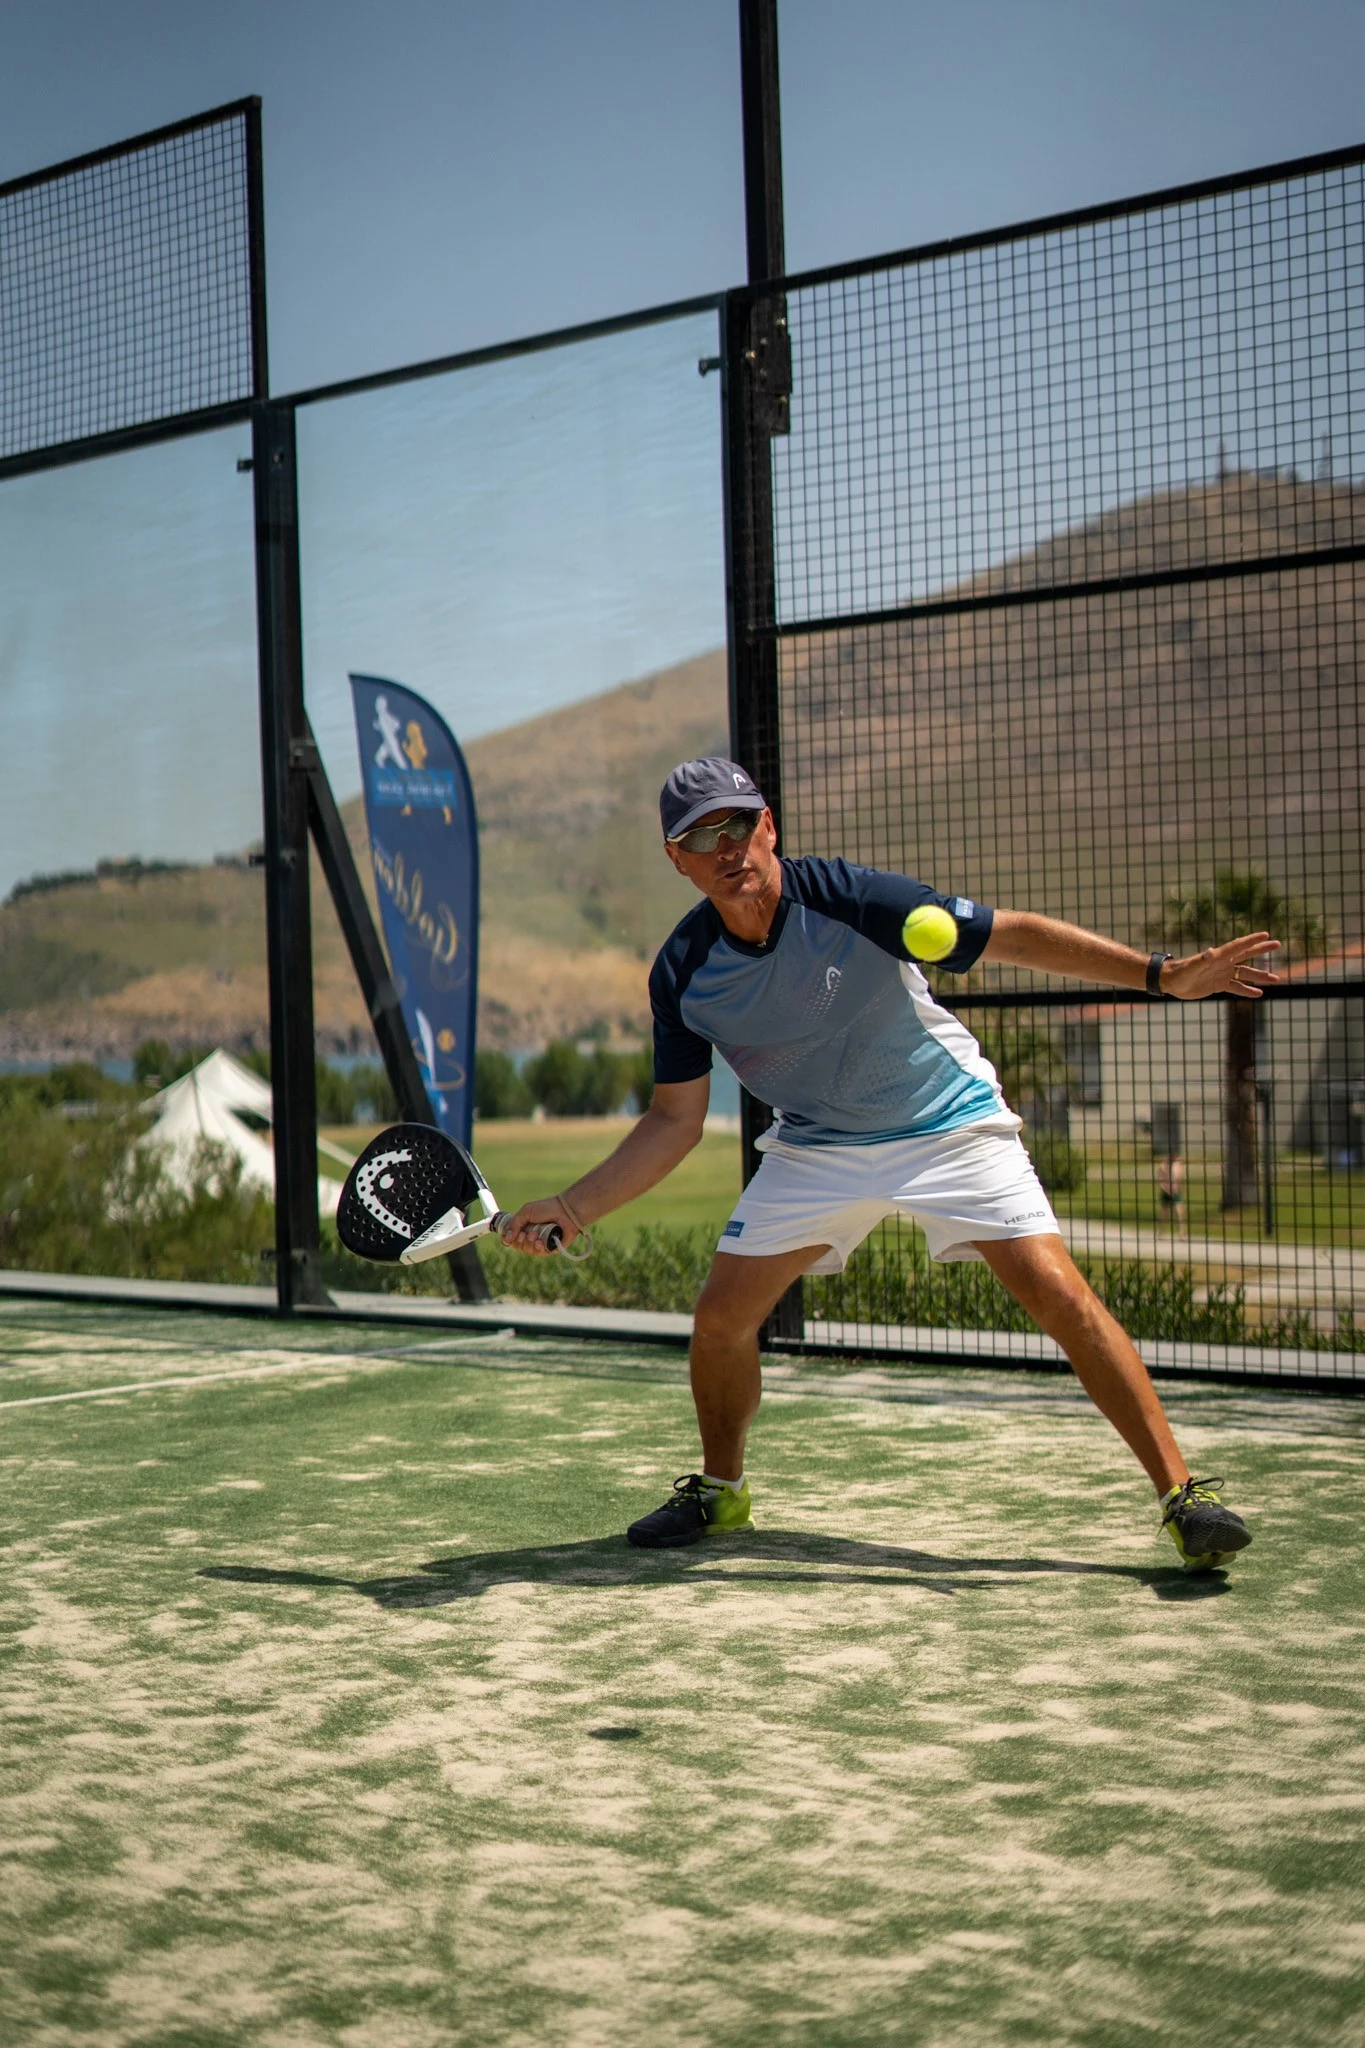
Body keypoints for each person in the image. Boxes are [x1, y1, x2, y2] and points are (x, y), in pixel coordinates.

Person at [505, 758, 1276, 1571]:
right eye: (700, 836)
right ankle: (718, 1491)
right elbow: (674, 1121)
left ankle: (1182, 1497)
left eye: (736, 824)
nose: (725, 847)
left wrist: (1159, 976)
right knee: (719, 1321)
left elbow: (1004, 934)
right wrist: (572, 1206)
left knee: (1060, 1297)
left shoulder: (849, 898)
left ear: (767, 826)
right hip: (816, 1147)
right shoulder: (683, 974)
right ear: (677, 860)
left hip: (946, 1123)